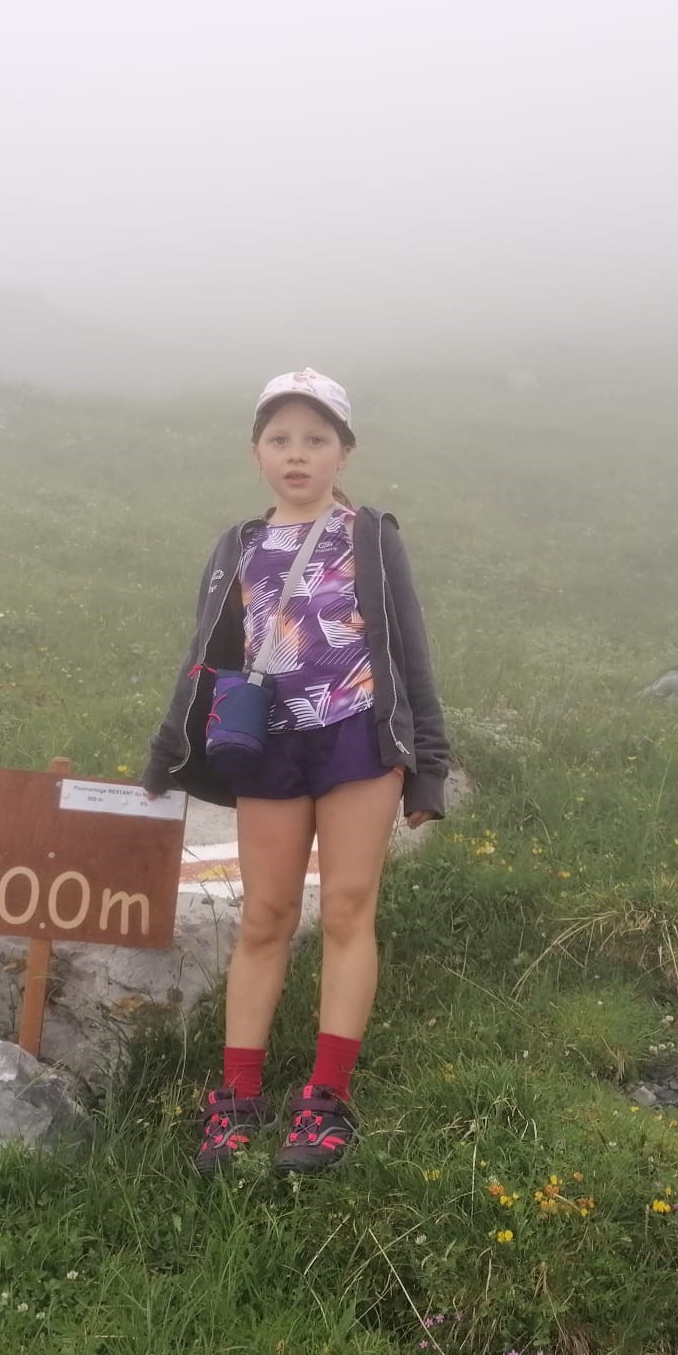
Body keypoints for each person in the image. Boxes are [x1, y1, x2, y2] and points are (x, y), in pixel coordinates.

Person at [141, 368, 450, 1175]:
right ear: (257, 454)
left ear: (344, 452)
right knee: (265, 917)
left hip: (357, 738)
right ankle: (236, 1101)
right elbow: (205, 655)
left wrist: (428, 770)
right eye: (280, 439)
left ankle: (325, 1101)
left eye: (316, 439)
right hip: (268, 744)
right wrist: (166, 751)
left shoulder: (370, 536)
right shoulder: (238, 546)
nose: (298, 454)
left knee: (347, 908)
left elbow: (411, 650)